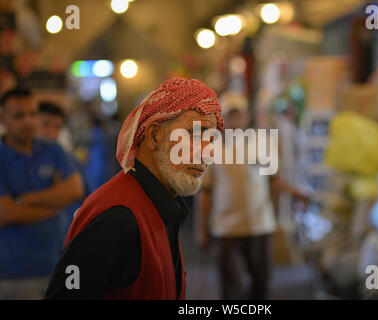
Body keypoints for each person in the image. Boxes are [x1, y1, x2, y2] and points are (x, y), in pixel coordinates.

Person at [44, 77, 223, 300]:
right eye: (196, 135)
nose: (208, 152)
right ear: (154, 135)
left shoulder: (161, 204)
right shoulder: (117, 216)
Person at [196, 92, 309, 300]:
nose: (235, 121)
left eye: (239, 115)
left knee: (261, 283)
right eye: (230, 116)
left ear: (246, 115)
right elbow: (207, 192)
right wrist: (203, 229)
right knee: (231, 287)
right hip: (225, 228)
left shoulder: (262, 141)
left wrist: (296, 194)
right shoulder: (212, 146)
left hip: (259, 225)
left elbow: (273, 180)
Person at [0, 88, 84, 299]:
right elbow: (4, 213)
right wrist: (57, 200)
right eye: (19, 116)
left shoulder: (53, 150)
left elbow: (75, 189)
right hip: (14, 273)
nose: (28, 121)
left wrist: (20, 200)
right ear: (3, 118)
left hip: (59, 266)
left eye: (32, 114)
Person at [37, 101, 91, 232]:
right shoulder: (21, 158)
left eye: (57, 127)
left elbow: (86, 198)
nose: (51, 131)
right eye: (45, 124)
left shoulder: (71, 160)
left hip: (67, 236)